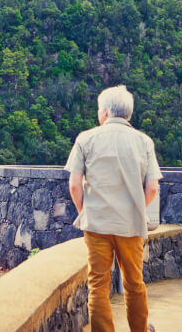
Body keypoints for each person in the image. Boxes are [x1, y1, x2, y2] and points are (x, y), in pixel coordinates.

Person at [64, 85, 162, 332]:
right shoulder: (144, 141)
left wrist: (86, 212)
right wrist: (136, 209)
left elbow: (75, 186)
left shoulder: (85, 138)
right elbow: (152, 189)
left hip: (97, 225)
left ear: (105, 112)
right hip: (130, 225)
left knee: (98, 285)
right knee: (134, 283)